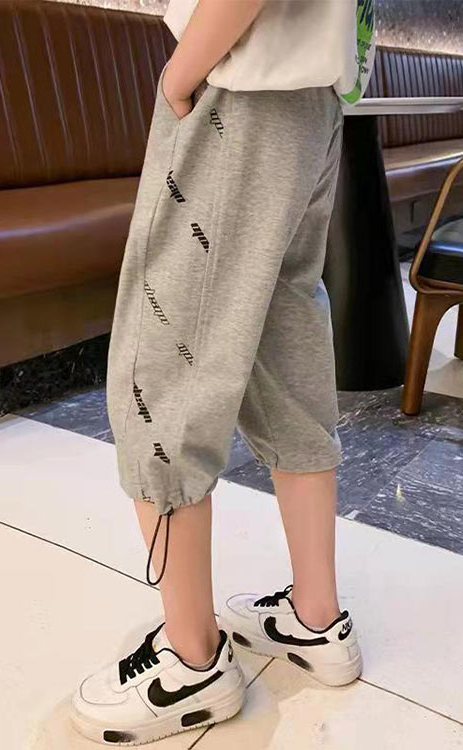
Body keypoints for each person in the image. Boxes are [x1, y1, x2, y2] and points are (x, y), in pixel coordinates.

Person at [71, 0, 375, 744]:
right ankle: (316, 617)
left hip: (239, 87)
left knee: (162, 369)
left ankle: (191, 661)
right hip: (314, 104)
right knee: (284, 341)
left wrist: (180, 74)